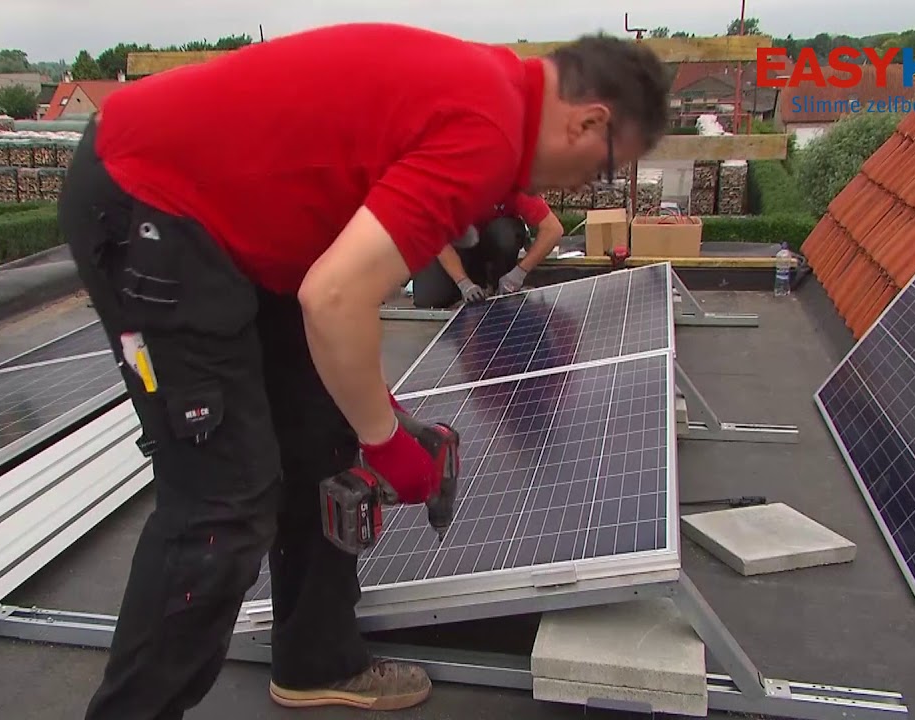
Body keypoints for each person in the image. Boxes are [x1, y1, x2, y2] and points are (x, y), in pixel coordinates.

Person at [58, 22, 668, 720]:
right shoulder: (487, 128)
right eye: (604, 167)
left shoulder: (496, 94)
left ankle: (316, 661)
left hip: (239, 233)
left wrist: (371, 410)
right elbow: (335, 297)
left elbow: (339, 279)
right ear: (591, 121)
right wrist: (388, 444)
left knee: (322, 438)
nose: (591, 183)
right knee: (221, 502)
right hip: (150, 202)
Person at [412, 192, 565, 308]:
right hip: (459, 247)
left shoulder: (513, 181)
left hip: (492, 244)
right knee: (429, 298)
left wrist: (519, 273)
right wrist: (463, 282)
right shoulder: (449, 183)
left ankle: (497, 282)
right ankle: (473, 282)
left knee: (504, 233)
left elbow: (553, 230)